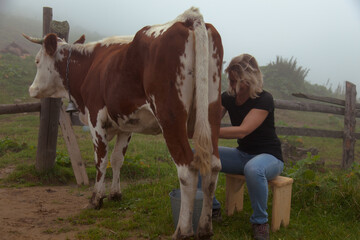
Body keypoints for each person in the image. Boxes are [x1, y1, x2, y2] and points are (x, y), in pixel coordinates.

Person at [203, 53, 284, 240]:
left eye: (235, 81)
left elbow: (242, 131)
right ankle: (211, 208)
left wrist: (209, 132)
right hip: (243, 154)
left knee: (254, 169)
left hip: (269, 157)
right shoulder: (228, 97)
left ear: (249, 79)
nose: (231, 86)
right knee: (198, 155)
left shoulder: (264, 99)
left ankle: (260, 222)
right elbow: (212, 120)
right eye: (230, 80)